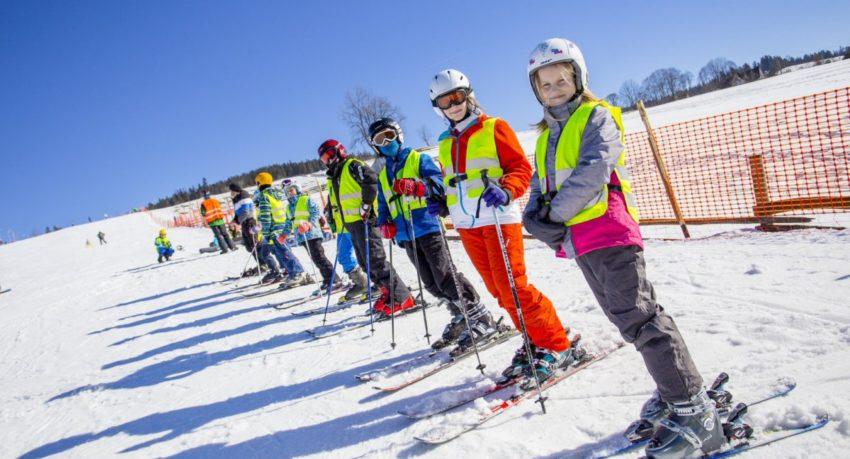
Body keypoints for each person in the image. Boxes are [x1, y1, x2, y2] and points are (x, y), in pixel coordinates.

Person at [522, 39, 722, 458]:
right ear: (536, 89)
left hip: (609, 233)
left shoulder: (597, 116)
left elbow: (593, 170)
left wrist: (553, 217)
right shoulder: (544, 139)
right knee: (627, 323)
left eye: (562, 79)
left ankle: (694, 409)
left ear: (578, 78)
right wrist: (533, 216)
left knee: (642, 318)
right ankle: (675, 392)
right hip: (580, 241)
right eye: (546, 83)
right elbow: (540, 185)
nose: (555, 88)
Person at [426, 68, 579, 382]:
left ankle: (555, 343)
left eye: (457, 97)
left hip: (497, 217)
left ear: (468, 95)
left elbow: (520, 168)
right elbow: (453, 182)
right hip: (467, 224)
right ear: (439, 108)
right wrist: (444, 202)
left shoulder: (494, 126)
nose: (453, 105)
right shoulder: (444, 142)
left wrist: (507, 189)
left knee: (513, 287)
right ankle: (533, 337)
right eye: (445, 101)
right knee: (499, 291)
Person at [370, 117, 497, 352]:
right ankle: (460, 315)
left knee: (444, 276)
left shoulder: (418, 159)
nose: (386, 142)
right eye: (380, 139)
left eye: (389, 135)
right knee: (430, 283)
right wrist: (384, 221)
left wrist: (418, 186)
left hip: (427, 225)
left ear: (398, 135)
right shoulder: (382, 174)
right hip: (406, 234)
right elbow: (384, 201)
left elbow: (440, 183)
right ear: (375, 146)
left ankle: (481, 317)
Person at [318, 139, 414, 316]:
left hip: (365, 220)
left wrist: (366, 204)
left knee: (376, 261)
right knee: (365, 263)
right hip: (351, 224)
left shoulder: (352, 165)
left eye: (329, 155)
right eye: (324, 159)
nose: (327, 160)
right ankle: (387, 293)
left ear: (338, 151)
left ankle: (403, 296)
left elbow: (371, 180)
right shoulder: (335, 176)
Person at [254, 172, 311, 288]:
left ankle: (297, 272)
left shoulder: (264, 197)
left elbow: (265, 217)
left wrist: (266, 233)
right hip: (282, 227)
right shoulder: (277, 194)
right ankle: (293, 273)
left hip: (274, 230)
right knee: (282, 252)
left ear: (259, 183)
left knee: (284, 253)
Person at [282, 181, 343, 293]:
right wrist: (284, 234)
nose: (290, 193)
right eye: (287, 192)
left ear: (297, 189)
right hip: (302, 236)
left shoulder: (305, 199)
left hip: (313, 233)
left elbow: (315, 213)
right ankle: (327, 279)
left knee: (319, 257)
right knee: (315, 259)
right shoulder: (288, 207)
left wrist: (309, 224)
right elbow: (288, 222)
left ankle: (335, 280)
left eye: (292, 190)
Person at [324, 190, 371, 303]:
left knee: (368, 254)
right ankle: (361, 284)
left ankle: (383, 283)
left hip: (354, 221)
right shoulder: (331, 177)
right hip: (342, 226)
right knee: (343, 256)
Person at [229, 182, 276, 277]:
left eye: (231, 191)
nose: (230, 193)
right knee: (249, 246)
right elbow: (238, 213)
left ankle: (265, 264)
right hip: (244, 223)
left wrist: (237, 222)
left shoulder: (244, 195)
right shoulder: (236, 199)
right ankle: (261, 263)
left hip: (250, 222)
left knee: (255, 244)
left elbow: (246, 212)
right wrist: (233, 221)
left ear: (235, 190)